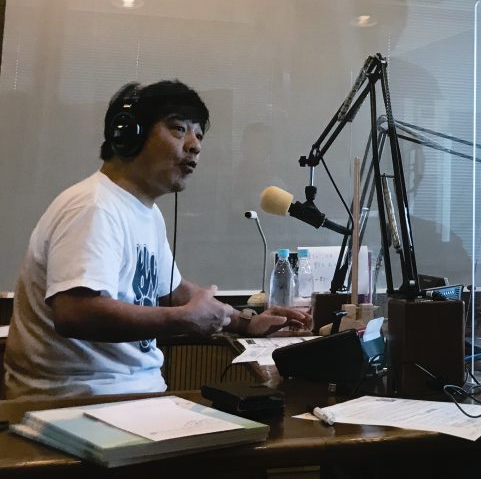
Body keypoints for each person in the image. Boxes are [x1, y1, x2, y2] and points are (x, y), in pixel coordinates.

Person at [4, 80, 311, 399]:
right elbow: (74, 313)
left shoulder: (145, 212)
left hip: (130, 396)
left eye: (199, 135)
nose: (195, 145)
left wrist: (246, 323)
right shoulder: (93, 207)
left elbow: (174, 290)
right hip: (74, 400)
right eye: (179, 129)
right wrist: (184, 320)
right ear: (128, 134)